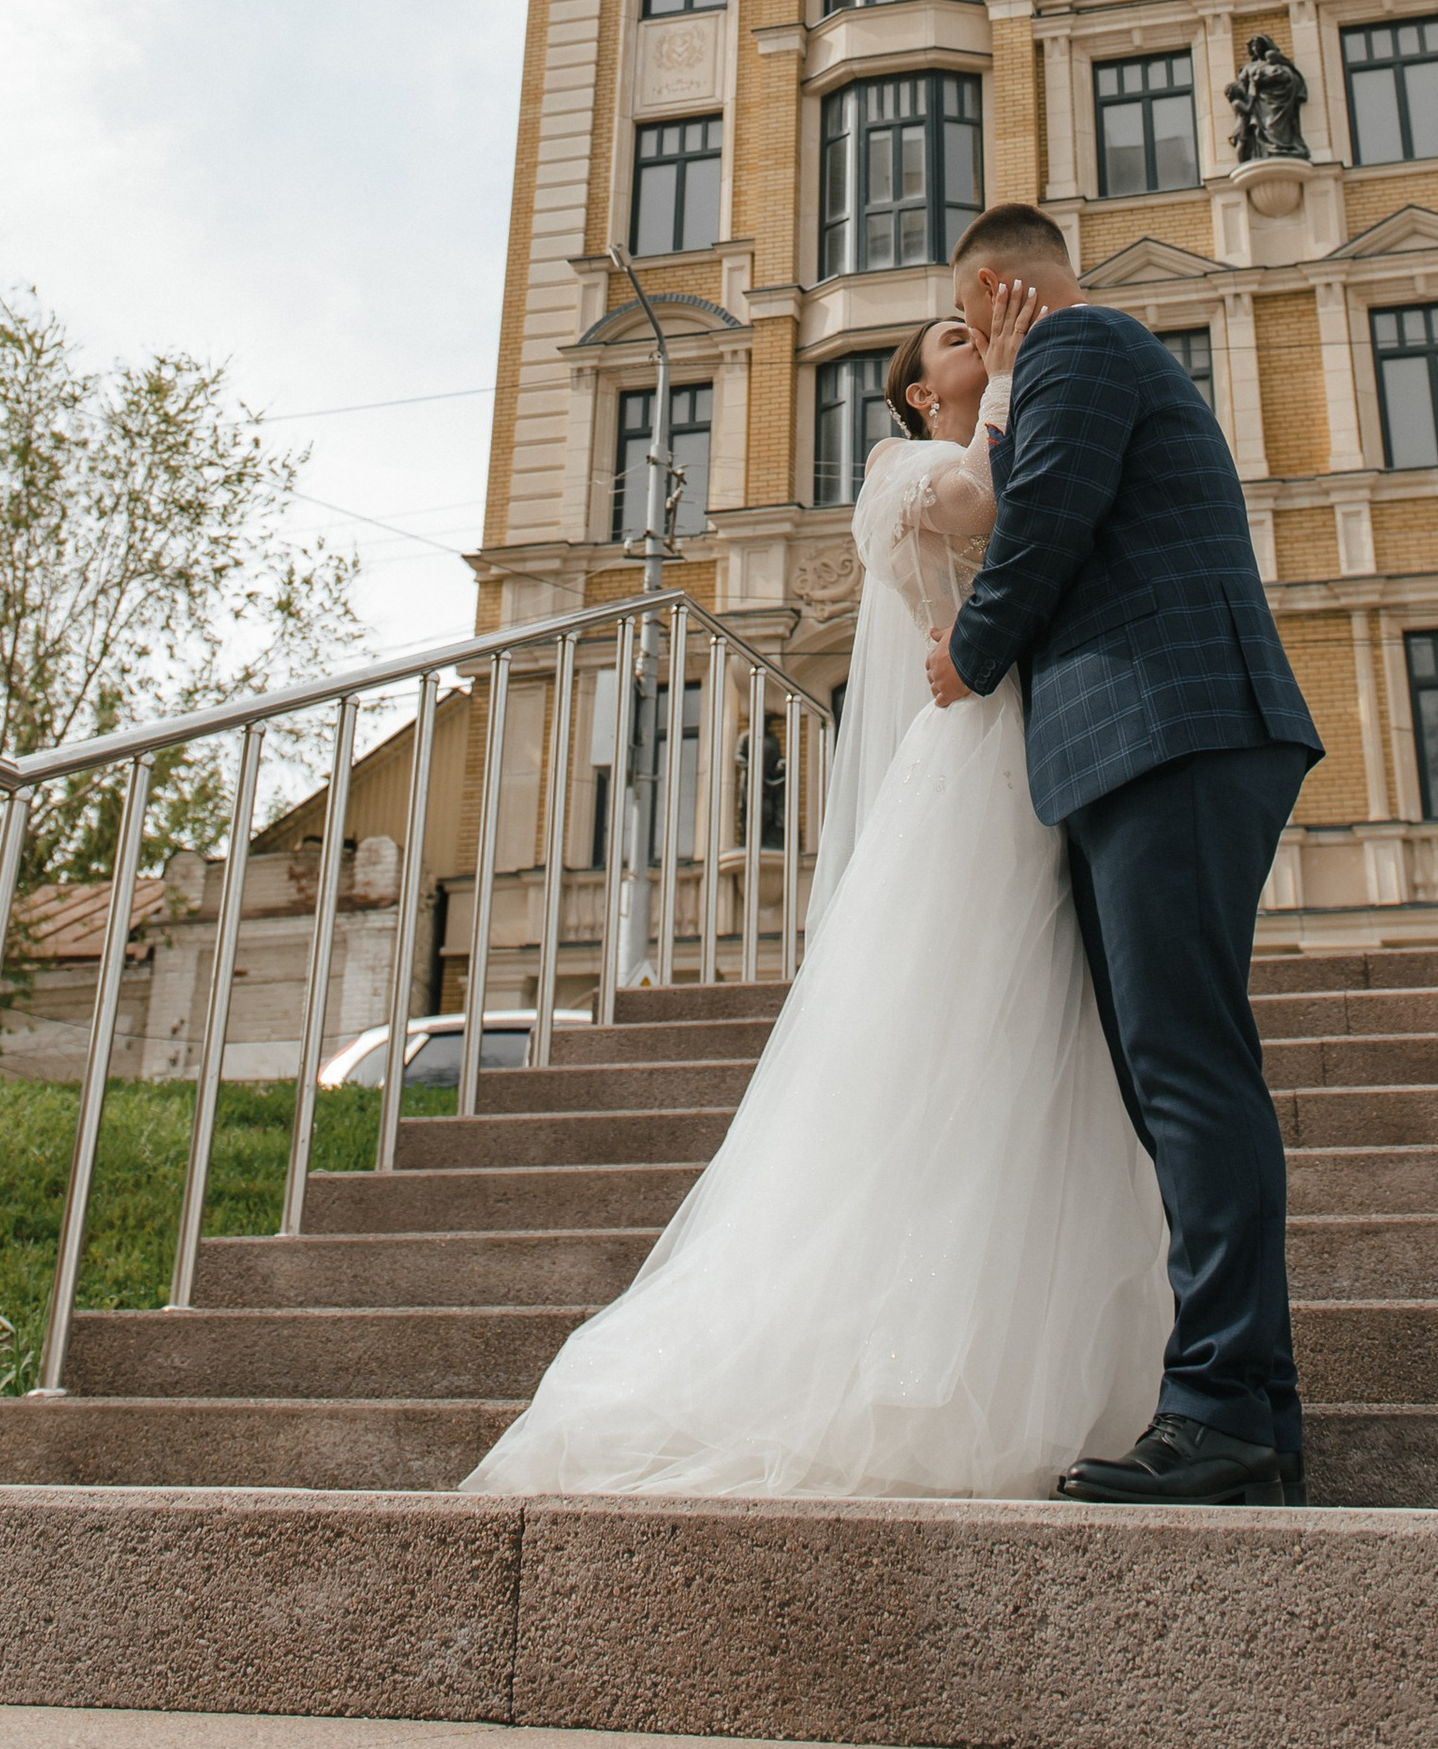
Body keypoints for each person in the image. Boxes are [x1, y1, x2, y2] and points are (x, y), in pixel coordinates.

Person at [463, 292, 1167, 1499]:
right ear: (917, 392)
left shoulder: (1013, 427)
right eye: (955, 340)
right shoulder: (901, 465)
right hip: (974, 751)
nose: (981, 339)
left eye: (980, 332)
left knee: (1056, 1026)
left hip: (1052, 733)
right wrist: (1010, 382)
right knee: (964, 1017)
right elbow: (983, 507)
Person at [928, 204, 1323, 1506]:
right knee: (1173, 1077)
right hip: (1140, 743)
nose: (979, 342)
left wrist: (968, 650)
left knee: (1189, 1071)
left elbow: (1044, 520)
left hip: (1171, 729)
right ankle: (1253, 1409)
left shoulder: (1081, 345)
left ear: (998, 290)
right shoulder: (1075, 359)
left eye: (970, 319)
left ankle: (1219, 1404)